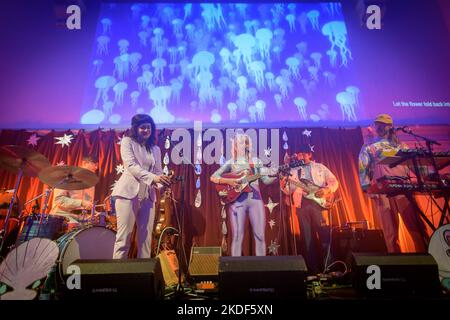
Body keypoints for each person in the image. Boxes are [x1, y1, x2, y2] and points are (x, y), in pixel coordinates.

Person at [358, 113, 427, 252]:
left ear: (390, 127)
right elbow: (362, 168)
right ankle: (398, 265)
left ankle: (427, 260)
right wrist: (368, 189)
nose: (380, 127)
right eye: (377, 124)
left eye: (383, 125)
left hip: (404, 189)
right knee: (390, 233)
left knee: (417, 228)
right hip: (383, 192)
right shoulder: (369, 146)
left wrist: (428, 175)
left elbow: (416, 166)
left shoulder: (402, 145)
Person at [112, 114, 170, 259]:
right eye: (142, 127)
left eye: (148, 127)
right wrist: (155, 178)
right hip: (127, 193)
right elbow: (131, 166)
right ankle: (116, 275)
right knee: (124, 238)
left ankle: (144, 277)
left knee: (145, 239)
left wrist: (163, 181)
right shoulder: (127, 142)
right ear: (135, 128)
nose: (145, 130)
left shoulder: (155, 149)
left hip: (148, 196)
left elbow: (157, 172)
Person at [210, 133, 276, 256]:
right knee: (237, 236)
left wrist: (276, 175)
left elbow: (266, 180)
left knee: (260, 235)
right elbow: (213, 177)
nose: (241, 145)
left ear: (247, 145)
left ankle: (261, 270)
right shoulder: (231, 162)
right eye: (238, 142)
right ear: (234, 146)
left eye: (244, 142)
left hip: (255, 200)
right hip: (237, 201)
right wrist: (229, 181)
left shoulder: (256, 161)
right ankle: (235, 269)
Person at [281, 145, 339, 274]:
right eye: (298, 154)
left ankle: (329, 269)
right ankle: (313, 271)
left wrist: (326, 189)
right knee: (307, 239)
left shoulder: (320, 167)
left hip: (319, 204)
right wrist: (283, 182)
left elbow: (334, 181)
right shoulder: (294, 170)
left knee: (324, 236)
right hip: (302, 205)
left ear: (309, 154)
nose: (300, 156)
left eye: (303, 154)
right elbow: (288, 190)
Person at [50, 156, 98, 228]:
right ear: (84, 163)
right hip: (62, 214)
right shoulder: (67, 177)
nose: (96, 167)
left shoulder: (91, 184)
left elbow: (87, 204)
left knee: (95, 228)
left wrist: (96, 213)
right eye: (94, 164)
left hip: (80, 217)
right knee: (76, 228)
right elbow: (58, 199)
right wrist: (81, 202)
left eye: (97, 165)